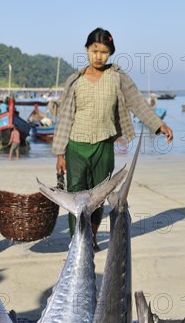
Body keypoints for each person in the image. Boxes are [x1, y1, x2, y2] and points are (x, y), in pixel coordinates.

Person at [53, 27, 173, 251]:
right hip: (76, 147)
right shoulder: (75, 81)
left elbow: (137, 103)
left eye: (104, 52)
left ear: (110, 53)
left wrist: (159, 125)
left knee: (98, 197)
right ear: (86, 50)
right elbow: (65, 118)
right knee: (77, 199)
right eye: (94, 50)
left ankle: (93, 237)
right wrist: (60, 153)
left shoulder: (117, 77)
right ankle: (77, 244)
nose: (98, 56)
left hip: (104, 146)